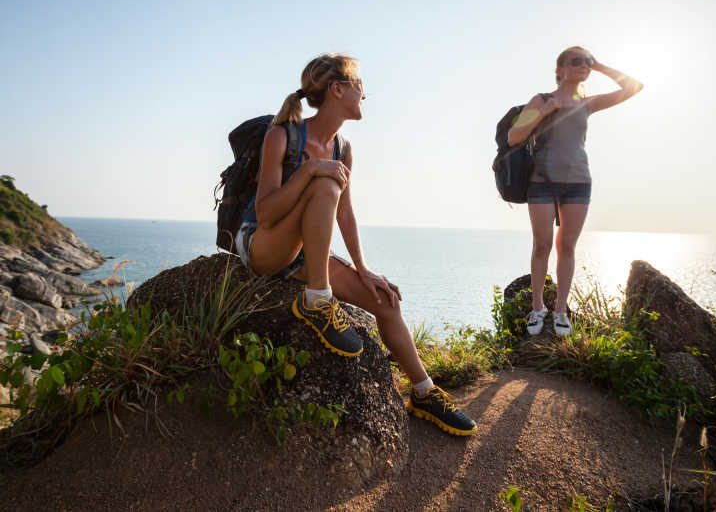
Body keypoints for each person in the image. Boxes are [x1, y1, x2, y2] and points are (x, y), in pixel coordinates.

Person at [235, 53, 476, 436]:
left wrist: (363, 269)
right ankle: (317, 301)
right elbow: (265, 213)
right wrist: (310, 171)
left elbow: (344, 213)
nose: (364, 92)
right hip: (264, 244)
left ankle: (424, 392)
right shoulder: (283, 134)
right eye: (359, 84)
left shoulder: (342, 148)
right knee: (325, 182)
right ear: (338, 88)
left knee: (385, 300)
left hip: (303, 254)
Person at [507, 47, 643, 336]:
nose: (584, 65)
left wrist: (602, 66)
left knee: (566, 247)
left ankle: (560, 310)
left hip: (578, 182)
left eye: (587, 61)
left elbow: (634, 87)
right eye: (577, 61)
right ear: (560, 69)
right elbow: (514, 136)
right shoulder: (541, 99)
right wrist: (545, 111)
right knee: (542, 244)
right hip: (541, 181)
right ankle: (537, 307)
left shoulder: (587, 103)